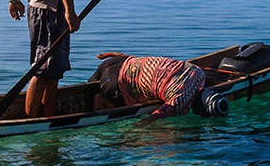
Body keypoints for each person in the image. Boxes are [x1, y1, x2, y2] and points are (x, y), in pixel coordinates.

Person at [89, 52, 228, 122]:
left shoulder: (198, 72)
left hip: (116, 61)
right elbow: (153, 118)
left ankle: (96, 94)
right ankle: (100, 100)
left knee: (89, 85)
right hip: (114, 84)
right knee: (113, 103)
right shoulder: (180, 100)